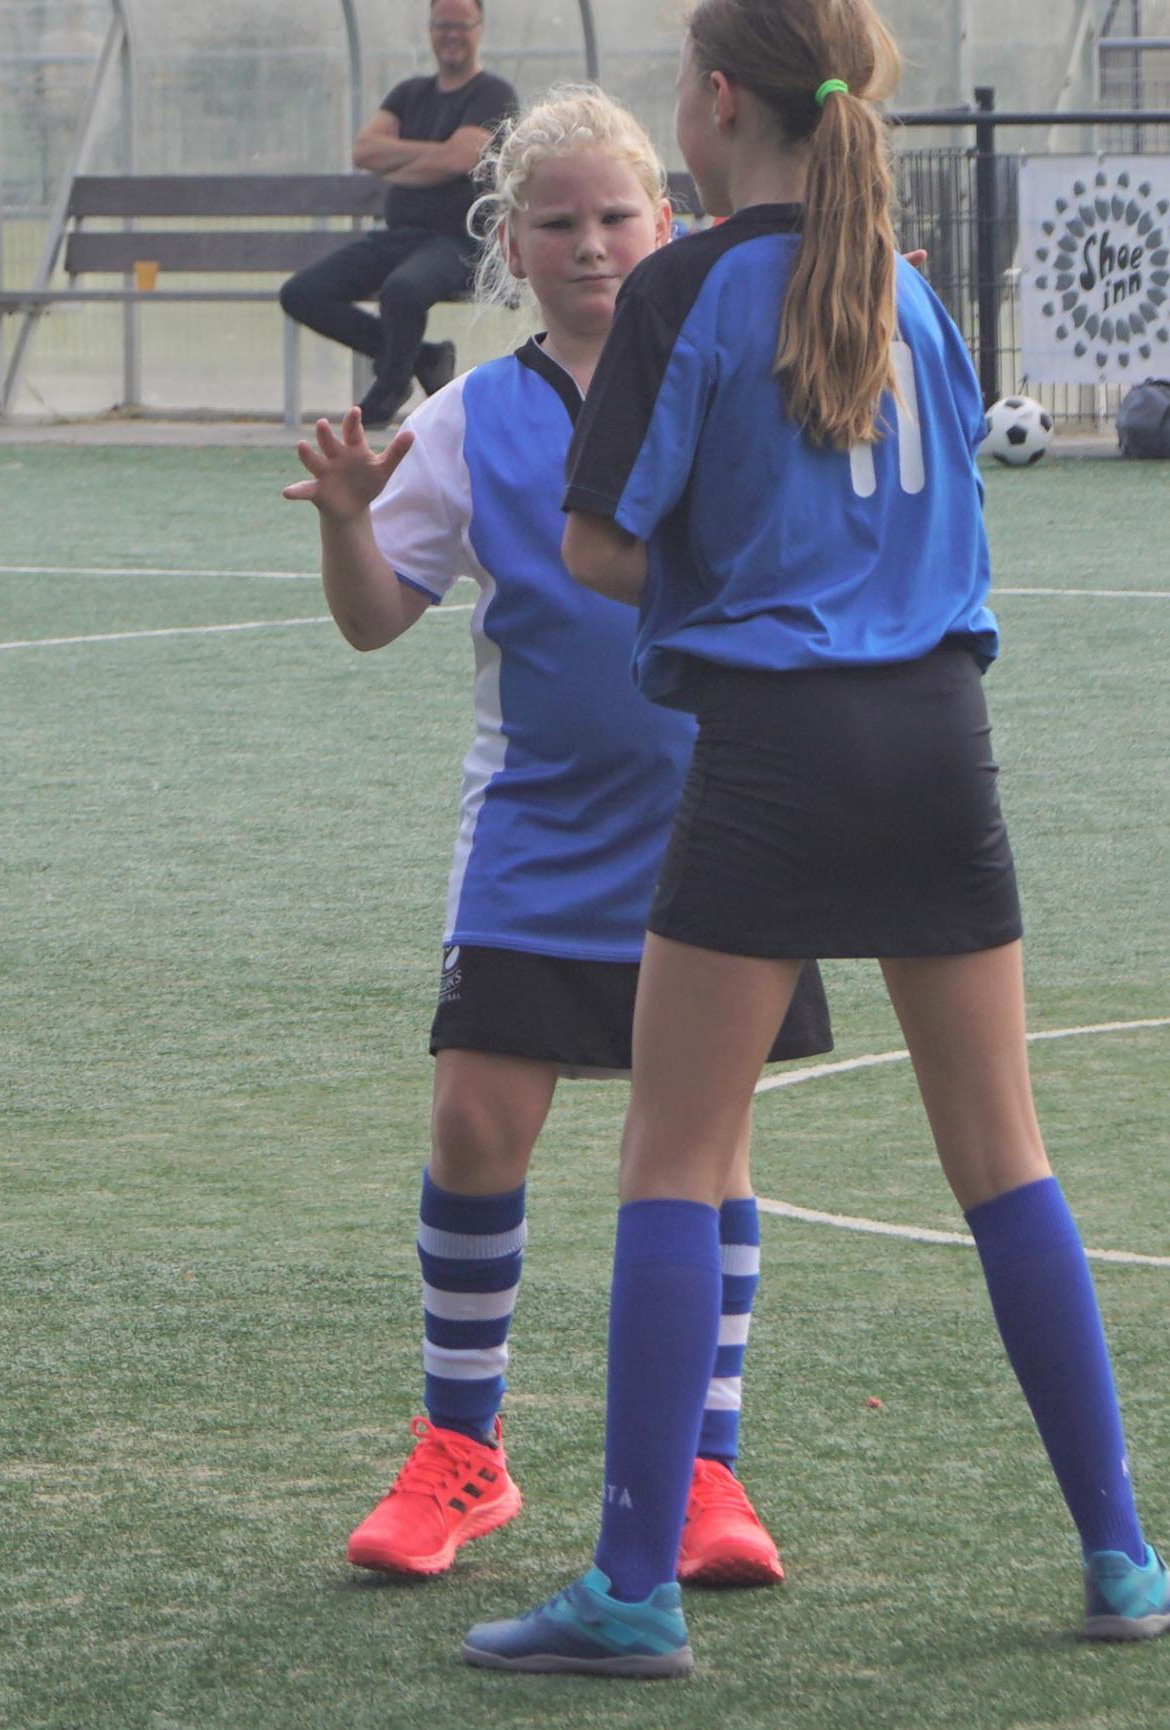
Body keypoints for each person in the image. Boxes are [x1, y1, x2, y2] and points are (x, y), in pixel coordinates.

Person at [465, 0, 1170, 1678]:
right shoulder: (911, 295)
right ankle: (1122, 1557)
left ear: (718, 102)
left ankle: (631, 1590)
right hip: (940, 734)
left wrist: (727, 573)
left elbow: (597, 546)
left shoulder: (687, 291)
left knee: (670, 1154)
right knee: (1003, 1153)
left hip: (775, 750)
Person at [284, 86, 828, 1589]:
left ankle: (705, 1470)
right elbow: (374, 622)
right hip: (535, 831)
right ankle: (463, 1452)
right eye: (559, 222)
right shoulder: (469, 419)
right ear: (510, 246)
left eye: (616, 215)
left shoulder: (734, 373)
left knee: (706, 1152)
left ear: (671, 222)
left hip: (721, 824)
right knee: (474, 1122)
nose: (592, 244)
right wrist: (345, 519)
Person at [280, 0, 518, 430]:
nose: (451, 35)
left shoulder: (493, 94)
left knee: (403, 290)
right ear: (430, 29)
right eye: (442, 25)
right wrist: (434, 156)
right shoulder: (409, 93)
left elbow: (458, 160)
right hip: (400, 238)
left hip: (461, 241)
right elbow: (365, 151)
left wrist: (401, 163)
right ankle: (422, 358)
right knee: (302, 292)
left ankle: (389, 386)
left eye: (460, 25)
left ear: (479, 29)